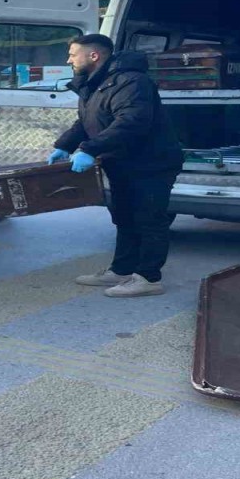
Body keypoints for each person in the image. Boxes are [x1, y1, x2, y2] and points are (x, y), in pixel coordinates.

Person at [47, 34, 184, 298]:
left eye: (73, 54)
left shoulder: (132, 81)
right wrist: (65, 144)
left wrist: (89, 149)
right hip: (121, 161)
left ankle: (148, 278)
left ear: (94, 56)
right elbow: (86, 122)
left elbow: (131, 122)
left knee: (149, 219)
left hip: (150, 163)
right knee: (124, 216)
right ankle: (121, 270)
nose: (69, 60)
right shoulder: (94, 84)